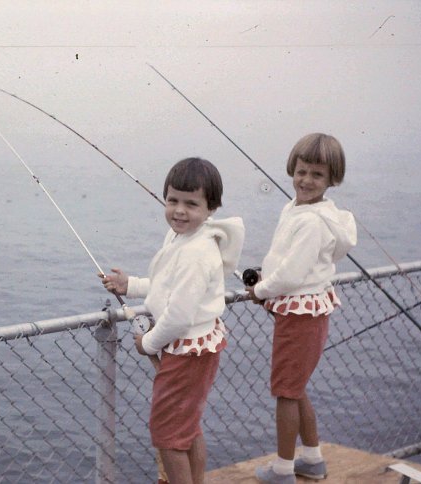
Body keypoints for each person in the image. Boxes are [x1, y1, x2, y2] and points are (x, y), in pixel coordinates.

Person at [100, 157, 245, 484]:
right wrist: (131, 285)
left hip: (186, 350)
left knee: (167, 434)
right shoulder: (185, 238)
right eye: (173, 200)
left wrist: (147, 343)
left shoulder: (196, 252)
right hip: (196, 346)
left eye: (191, 204)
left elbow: (178, 317)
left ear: (211, 208)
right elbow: (170, 288)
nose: (179, 210)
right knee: (187, 425)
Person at [246, 133, 357, 484]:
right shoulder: (300, 209)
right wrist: (270, 283)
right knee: (296, 386)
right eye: (302, 171)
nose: (306, 180)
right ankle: (312, 459)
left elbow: (293, 274)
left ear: (331, 180)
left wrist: (261, 289)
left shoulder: (310, 221)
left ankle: (282, 470)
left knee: (285, 392)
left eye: (317, 175)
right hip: (304, 309)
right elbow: (291, 263)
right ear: (293, 169)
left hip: (300, 314)